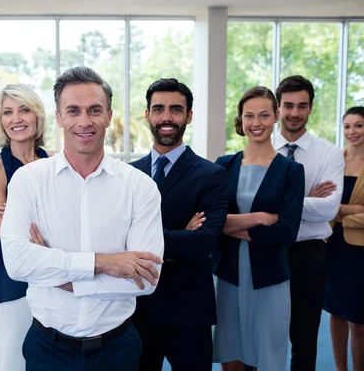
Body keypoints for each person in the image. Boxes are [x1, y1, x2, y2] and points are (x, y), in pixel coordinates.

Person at [0, 66, 164, 371]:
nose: (84, 121)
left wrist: (62, 277)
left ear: (109, 116)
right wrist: (105, 263)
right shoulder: (28, 180)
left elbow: (146, 279)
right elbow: (18, 263)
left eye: (95, 110)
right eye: (73, 111)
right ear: (59, 117)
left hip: (117, 350)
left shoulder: (139, 186)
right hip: (47, 349)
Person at [130, 78, 228, 371]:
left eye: (176, 109)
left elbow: (205, 242)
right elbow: (115, 238)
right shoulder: (128, 175)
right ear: (147, 115)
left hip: (189, 312)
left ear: (189, 115)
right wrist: (181, 236)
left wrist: (143, 243)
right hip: (137, 309)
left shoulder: (212, 175)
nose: (167, 117)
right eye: (158, 109)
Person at [212, 86, 305, 371]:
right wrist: (261, 218)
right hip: (229, 277)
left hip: (270, 279)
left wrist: (231, 225)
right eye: (249, 116)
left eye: (264, 115)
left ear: (276, 115)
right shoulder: (223, 166)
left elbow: (286, 231)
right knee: (232, 356)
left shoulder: (291, 171)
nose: (257, 123)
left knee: (269, 356)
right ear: (240, 119)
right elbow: (214, 223)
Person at [272, 75, 344, 371]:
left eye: (302, 106)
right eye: (288, 105)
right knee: (265, 336)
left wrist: (279, 204)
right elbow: (247, 204)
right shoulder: (259, 148)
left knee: (304, 338)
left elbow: (329, 208)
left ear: (311, 108)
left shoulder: (328, 152)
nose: (294, 113)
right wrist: (305, 198)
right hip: (268, 251)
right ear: (277, 108)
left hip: (309, 255)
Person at [0, 84, 49, 371]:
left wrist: (20, 213)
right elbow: (6, 233)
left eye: (24, 110)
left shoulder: (55, 161)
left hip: (54, 280)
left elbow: (74, 222)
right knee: (10, 360)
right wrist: (44, 220)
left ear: (37, 116)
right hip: (12, 281)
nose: (16, 118)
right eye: (8, 112)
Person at [324, 106, 364, 371]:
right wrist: (353, 211)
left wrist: (339, 213)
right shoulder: (335, 160)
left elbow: (332, 208)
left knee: (358, 320)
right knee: (335, 312)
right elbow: (324, 202)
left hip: (360, 251)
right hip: (332, 246)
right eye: (347, 126)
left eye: (359, 125)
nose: (352, 132)